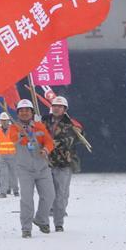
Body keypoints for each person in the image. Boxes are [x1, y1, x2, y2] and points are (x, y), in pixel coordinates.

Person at [11, 100, 55, 238]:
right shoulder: (15, 128)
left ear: (32, 112)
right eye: (21, 110)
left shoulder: (39, 126)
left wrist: (46, 149)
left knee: (49, 196)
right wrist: (22, 135)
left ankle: (41, 219)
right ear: (18, 113)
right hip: (24, 169)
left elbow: (49, 141)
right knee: (27, 199)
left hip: (42, 168)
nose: (24, 112)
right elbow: (13, 139)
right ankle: (26, 227)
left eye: (27, 110)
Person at [46, 96, 83, 232]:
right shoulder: (44, 121)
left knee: (61, 191)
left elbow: (71, 139)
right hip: (46, 162)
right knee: (47, 190)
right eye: (54, 105)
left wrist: (53, 142)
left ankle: (59, 219)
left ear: (64, 109)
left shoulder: (71, 124)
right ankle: (50, 210)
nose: (56, 108)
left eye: (59, 106)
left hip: (63, 162)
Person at [0, 112, 19, 198]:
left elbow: (18, 142)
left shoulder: (14, 129)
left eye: (6, 120)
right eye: (2, 120)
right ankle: (3, 192)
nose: (4, 122)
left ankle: (15, 190)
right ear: (0, 121)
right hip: (2, 155)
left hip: (13, 154)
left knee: (13, 173)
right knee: (3, 174)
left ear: (8, 121)